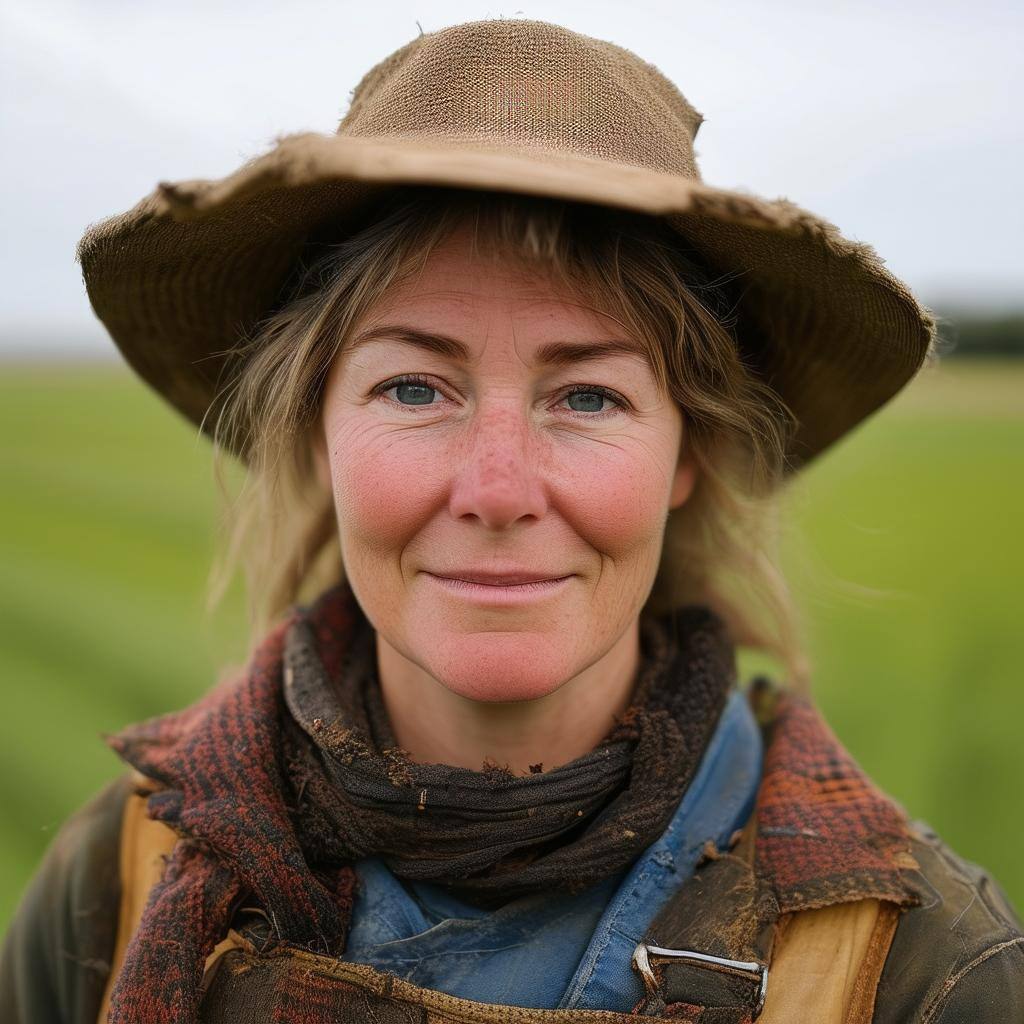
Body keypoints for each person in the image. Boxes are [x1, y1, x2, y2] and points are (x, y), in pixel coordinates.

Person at [2, 17, 1021, 1024]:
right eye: (412, 388)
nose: (497, 489)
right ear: (315, 435)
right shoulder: (119, 882)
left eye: (586, 397)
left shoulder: (915, 969)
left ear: (689, 451)